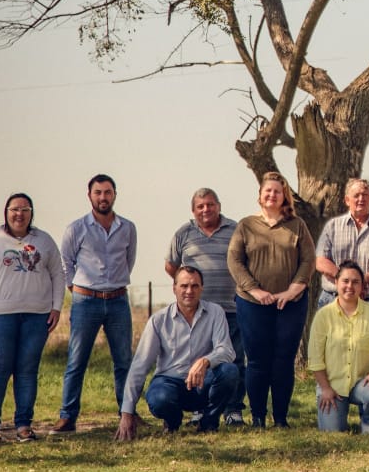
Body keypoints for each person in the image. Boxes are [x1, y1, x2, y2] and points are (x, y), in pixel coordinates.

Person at [0, 193, 65, 444]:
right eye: (14, 209)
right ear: (6, 212)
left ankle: (24, 425)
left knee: (27, 370)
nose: (19, 214)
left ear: (32, 213)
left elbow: (58, 274)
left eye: (25, 209)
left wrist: (56, 307)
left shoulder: (44, 240)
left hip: (37, 315)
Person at [227, 171, 315, 428]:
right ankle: (257, 417)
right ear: (260, 196)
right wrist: (254, 290)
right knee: (256, 360)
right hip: (253, 304)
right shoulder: (246, 225)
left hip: (290, 304)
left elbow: (308, 260)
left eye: (277, 191)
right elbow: (234, 260)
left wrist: (292, 291)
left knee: (283, 360)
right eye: (268, 191)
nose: (272, 195)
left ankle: (281, 418)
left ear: (284, 195)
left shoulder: (297, 225)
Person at [52, 174, 137, 434]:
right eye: (98, 192)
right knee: (77, 360)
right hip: (86, 301)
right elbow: (66, 262)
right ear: (89, 195)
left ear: (115, 195)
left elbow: (129, 260)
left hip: (118, 301)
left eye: (108, 192)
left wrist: (115, 284)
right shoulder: (76, 228)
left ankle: (128, 413)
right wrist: (75, 288)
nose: (103, 197)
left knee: (124, 361)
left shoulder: (128, 227)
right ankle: (67, 417)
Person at [114, 266, 238, 440]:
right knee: (159, 399)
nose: (189, 291)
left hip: (203, 383)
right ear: (174, 288)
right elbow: (140, 366)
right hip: (170, 382)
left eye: (195, 286)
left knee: (229, 371)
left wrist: (205, 361)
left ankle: (208, 422)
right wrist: (127, 413)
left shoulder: (215, 312)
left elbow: (226, 350)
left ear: (202, 288)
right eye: (184, 286)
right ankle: (172, 422)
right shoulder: (158, 320)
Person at [164, 188, 246, 426]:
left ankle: (233, 410)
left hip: (232, 307)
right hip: (197, 312)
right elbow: (171, 266)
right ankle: (200, 409)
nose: (205, 210)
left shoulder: (235, 229)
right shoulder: (184, 233)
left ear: (219, 206)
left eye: (210, 205)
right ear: (193, 210)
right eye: (200, 206)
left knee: (235, 360)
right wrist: (188, 289)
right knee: (200, 360)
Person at [307, 260, 369, 434]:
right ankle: (335, 413)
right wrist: (325, 388)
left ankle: (368, 422)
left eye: (356, 282)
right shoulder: (323, 316)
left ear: (363, 287)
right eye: (345, 281)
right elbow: (315, 358)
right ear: (336, 283)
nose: (350, 286)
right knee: (333, 433)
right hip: (332, 385)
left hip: (362, 382)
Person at [316, 178, 369, 317]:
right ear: (347, 200)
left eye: (365, 195)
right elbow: (321, 261)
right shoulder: (332, 226)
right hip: (333, 300)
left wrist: (361, 281)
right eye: (356, 195)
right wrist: (347, 281)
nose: (361, 199)